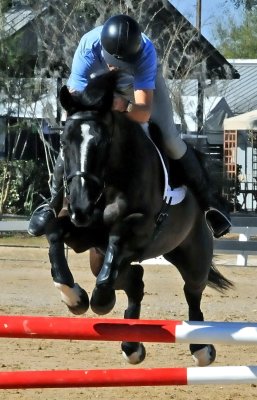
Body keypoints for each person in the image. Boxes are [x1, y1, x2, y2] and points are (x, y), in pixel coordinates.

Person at [28, 14, 231, 239]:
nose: (116, 67)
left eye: (122, 63)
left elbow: (143, 111)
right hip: (99, 86)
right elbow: (75, 104)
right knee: (78, 135)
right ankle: (51, 204)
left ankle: (210, 203)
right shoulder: (88, 47)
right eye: (112, 62)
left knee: (171, 139)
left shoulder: (145, 52)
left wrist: (123, 105)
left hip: (139, 90)